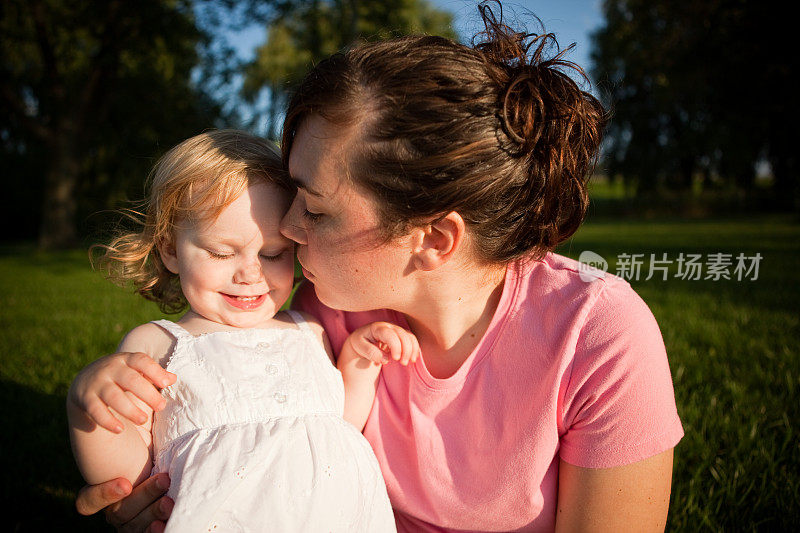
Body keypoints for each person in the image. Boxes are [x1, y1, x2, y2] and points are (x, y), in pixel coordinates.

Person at [75, 3, 684, 531]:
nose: (285, 231)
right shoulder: (314, 315)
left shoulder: (597, 336)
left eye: (314, 209)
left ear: (433, 239)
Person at [67, 130, 411, 532]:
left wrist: (358, 362)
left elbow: (337, 426)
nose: (251, 273)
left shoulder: (307, 328)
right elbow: (130, 472)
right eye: (222, 252)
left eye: (273, 254)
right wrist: (85, 406)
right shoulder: (156, 345)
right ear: (169, 249)